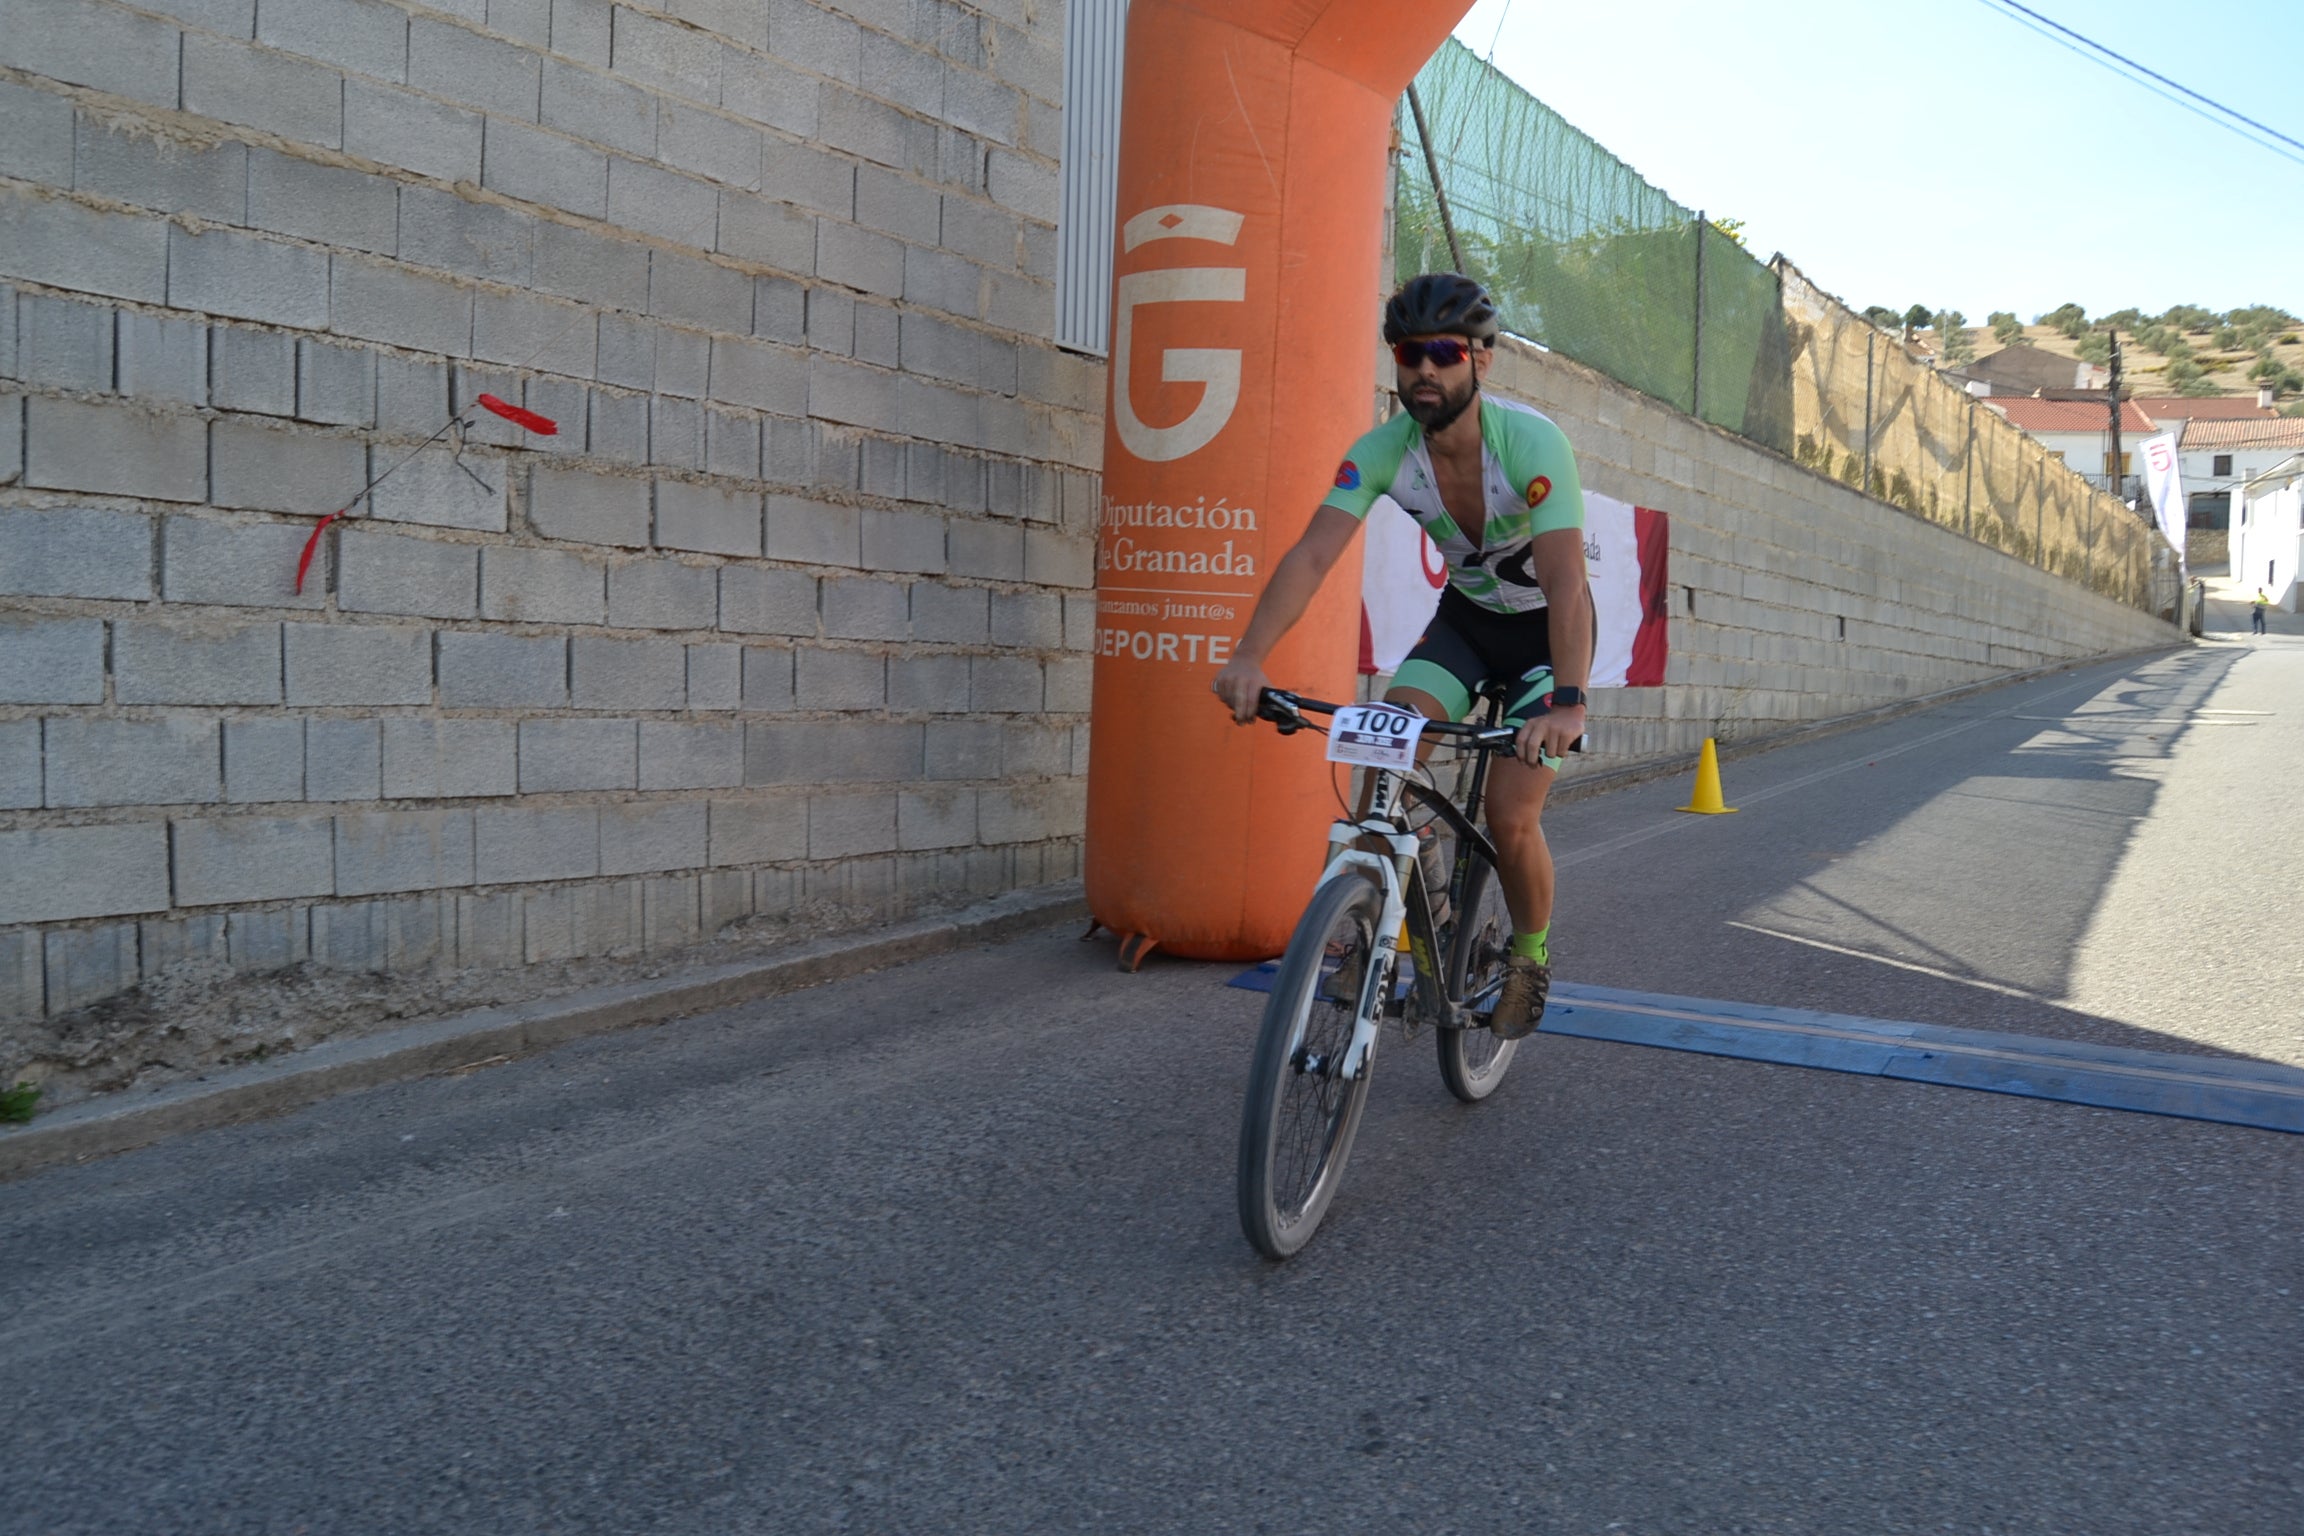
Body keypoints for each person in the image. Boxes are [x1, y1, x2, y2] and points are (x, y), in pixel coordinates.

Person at [1212, 273, 1591, 1039]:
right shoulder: (1384, 451)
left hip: (1543, 641)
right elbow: (1313, 556)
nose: (1424, 368)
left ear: (1481, 360)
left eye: (1444, 352)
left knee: (1509, 816)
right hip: (1466, 625)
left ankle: (1528, 954)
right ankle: (1390, 918)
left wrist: (1569, 700)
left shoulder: (1530, 442)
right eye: (1409, 352)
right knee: (1384, 754)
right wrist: (1249, 655)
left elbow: (1565, 580)